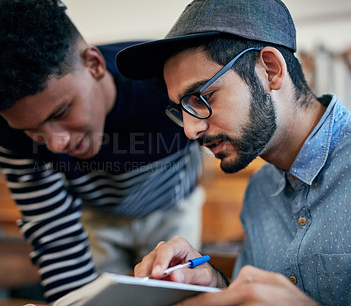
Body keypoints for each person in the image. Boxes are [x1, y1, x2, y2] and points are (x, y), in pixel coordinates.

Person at [0, 0, 205, 303]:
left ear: (94, 65)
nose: (56, 144)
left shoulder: (166, 81)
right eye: (32, 131)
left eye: (61, 111)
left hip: (172, 209)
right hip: (97, 217)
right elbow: (53, 231)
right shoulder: (8, 123)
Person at [116, 0, 351, 305]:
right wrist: (215, 284)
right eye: (182, 109)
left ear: (270, 69)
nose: (189, 130)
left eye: (202, 97)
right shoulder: (259, 192)